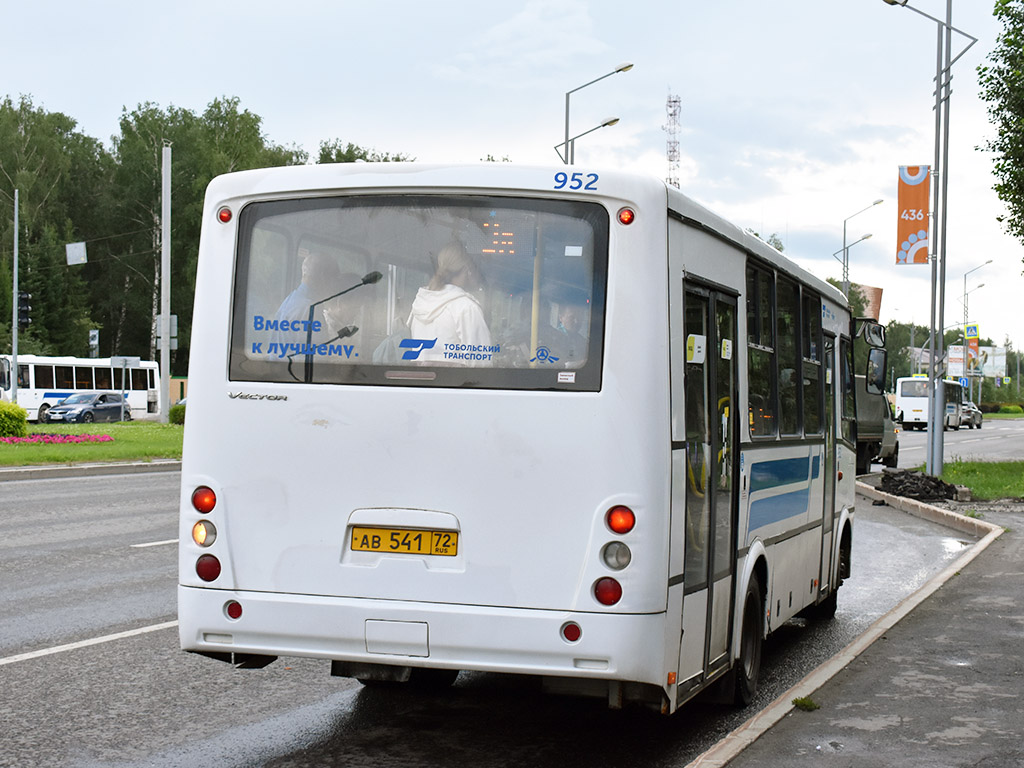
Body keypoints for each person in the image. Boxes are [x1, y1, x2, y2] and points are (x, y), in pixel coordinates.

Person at [408, 243, 492, 365]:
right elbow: (480, 362)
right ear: (466, 270)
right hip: (457, 383)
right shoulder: (466, 307)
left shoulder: (420, 304)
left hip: (421, 383)